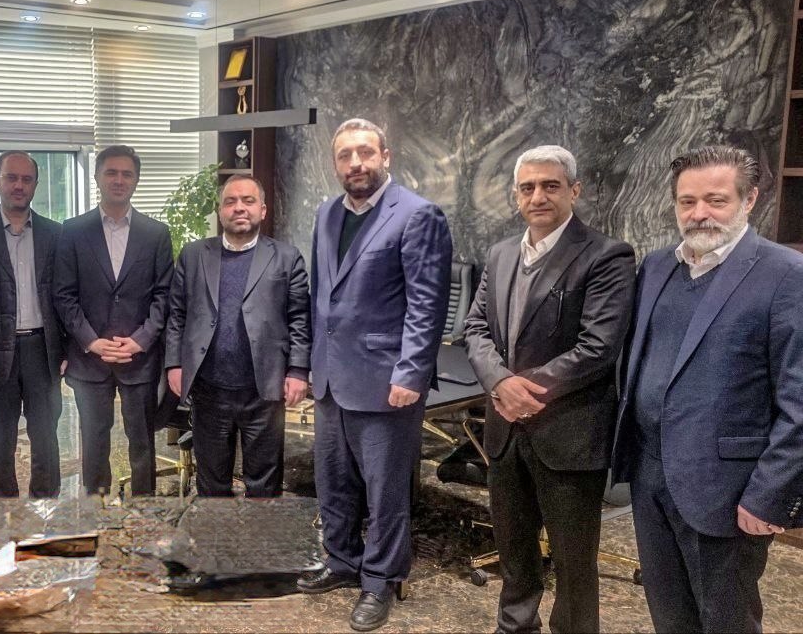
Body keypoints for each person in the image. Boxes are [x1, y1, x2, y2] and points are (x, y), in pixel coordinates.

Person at [613, 145, 803, 633]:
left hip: (727, 489)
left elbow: (799, 402)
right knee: (669, 616)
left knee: (726, 621)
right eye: (687, 201)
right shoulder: (656, 267)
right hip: (650, 477)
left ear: (749, 199)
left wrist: (770, 495)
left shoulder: (786, 276)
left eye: (716, 200)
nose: (700, 213)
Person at [462, 145, 636, 633]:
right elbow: (475, 328)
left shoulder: (607, 255)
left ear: (574, 191)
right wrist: (500, 382)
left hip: (568, 434)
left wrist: (524, 390)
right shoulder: (500, 254)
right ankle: (514, 626)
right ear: (516, 195)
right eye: (528, 187)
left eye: (550, 185)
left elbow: (598, 346)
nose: (538, 196)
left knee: (574, 563)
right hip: (505, 433)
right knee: (514, 552)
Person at [297, 118, 453, 632]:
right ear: (335, 163)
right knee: (333, 480)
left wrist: (412, 372)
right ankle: (342, 560)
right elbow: (322, 296)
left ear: (385, 156)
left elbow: (427, 305)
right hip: (330, 378)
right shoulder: (326, 213)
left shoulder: (417, 214)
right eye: (345, 155)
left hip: (387, 381)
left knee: (386, 492)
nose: (355, 163)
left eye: (365, 152)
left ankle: (380, 579)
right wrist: (310, 363)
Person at [164, 174, 310, 497]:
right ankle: (216, 531)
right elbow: (177, 314)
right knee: (211, 485)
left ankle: (259, 532)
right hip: (209, 389)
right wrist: (174, 363)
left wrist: (298, 370)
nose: (239, 208)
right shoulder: (194, 255)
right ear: (220, 211)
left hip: (264, 390)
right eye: (230, 201)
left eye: (248, 201)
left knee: (264, 486)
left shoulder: (287, 257)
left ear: (263, 210)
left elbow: (300, 318)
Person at [53, 145, 172, 497]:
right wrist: (90, 341)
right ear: (97, 177)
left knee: (143, 443)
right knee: (93, 442)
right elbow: (64, 294)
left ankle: (146, 512)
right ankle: (96, 510)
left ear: (136, 180)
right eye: (111, 172)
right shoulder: (73, 231)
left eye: (127, 174)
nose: (119, 180)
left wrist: (141, 340)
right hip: (90, 359)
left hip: (140, 358)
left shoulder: (156, 233)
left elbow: (165, 295)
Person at [0, 151, 64, 498]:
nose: (19, 185)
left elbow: (65, 296)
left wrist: (67, 349)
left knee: (46, 440)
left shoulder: (56, 234)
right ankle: (2, 515)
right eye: (11, 177)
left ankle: (45, 512)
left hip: (43, 350)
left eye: (27, 179)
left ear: (35, 184)